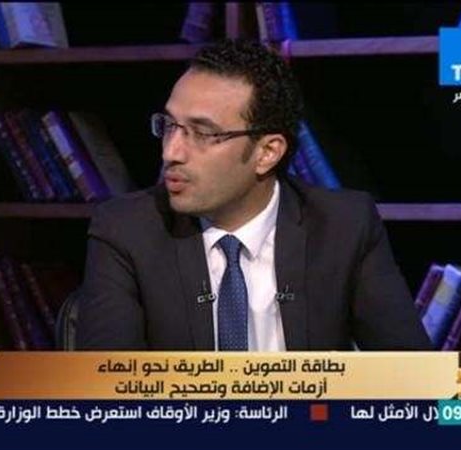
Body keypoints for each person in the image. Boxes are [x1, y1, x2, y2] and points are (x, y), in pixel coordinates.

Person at [75, 39, 431, 351]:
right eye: (169, 126)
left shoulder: (344, 226)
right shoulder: (126, 230)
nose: (171, 152)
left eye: (203, 133)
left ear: (267, 153)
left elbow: (414, 374)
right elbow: (107, 385)